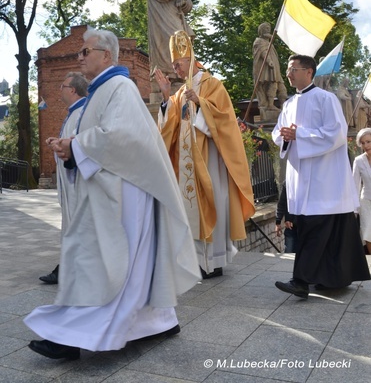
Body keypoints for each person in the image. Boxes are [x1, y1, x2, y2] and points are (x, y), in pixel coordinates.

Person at [24, 28, 201, 360]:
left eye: (85, 52)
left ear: (106, 55)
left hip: (125, 195)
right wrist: (70, 147)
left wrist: (76, 145)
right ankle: (158, 322)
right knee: (119, 264)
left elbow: (121, 136)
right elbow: (103, 136)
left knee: (108, 264)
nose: (79, 57)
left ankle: (73, 336)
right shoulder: (103, 90)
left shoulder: (119, 87)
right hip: (112, 190)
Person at [154, 30, 255, 279]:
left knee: (213, 203)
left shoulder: (212, 84)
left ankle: (214, 261)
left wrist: (200, 102)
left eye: (179, 64)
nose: (176, 69)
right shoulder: (179, 94)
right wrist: (167, 96)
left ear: (190, 59)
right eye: (174, 65)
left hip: (209, 159)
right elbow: (169, 128)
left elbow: (225, 121)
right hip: (187, 163)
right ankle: (197, 261)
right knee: (190, 209)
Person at [273, 54, 370, 299]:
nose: (288, 73)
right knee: (308, 229)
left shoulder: (326, 99)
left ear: (309, 72)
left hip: (324, 180)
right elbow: (278, 133)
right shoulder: (288, 104)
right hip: (300, 179)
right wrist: (285, 136)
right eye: (287, 69)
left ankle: (301, 281)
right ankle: (327, 279)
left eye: (293, 68)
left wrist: (300, 135)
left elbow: (336, 134)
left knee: (317, 229)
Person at [39, 72, 88, 285]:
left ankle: (70, 269)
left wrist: (62, 145)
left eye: (63, 85)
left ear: (73, 90)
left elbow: (82, 144)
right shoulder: (74, 113)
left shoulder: (82, 114)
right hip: (71, 182)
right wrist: (58, 143)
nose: (60, 89)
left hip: (79, 182)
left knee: (79, 226)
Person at [147, 0, 195, 86]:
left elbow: (188, 3)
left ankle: (182, 75)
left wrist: (185, 4)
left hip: (176, 16)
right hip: (161, 19)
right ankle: (169, 76)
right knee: (169, 43)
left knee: (181, 43)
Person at [252, 22, 287, 111]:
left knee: (282, 88)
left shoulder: (269, 43)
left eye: (269, 28)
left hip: (275, 69)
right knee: (272, 85)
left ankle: (283, 107)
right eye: (265, 28)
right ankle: (270, 105)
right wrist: (269, 61)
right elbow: (263, 52)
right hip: (267, 69)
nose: (268, 30)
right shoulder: (259, 41)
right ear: (261, 30)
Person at [353, 128, 371, 255]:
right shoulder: (358, 160)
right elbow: (355, 185)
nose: (366, 145)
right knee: (367, 233)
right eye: (363, 143)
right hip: (366, 201)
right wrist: (354, 209)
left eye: (369, 142)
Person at [275, 181, 298, 253]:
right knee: (289, 255)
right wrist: (278, 222)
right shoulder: (288, 182)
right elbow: (282, 203)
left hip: (306, 227)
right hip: (291, 228)